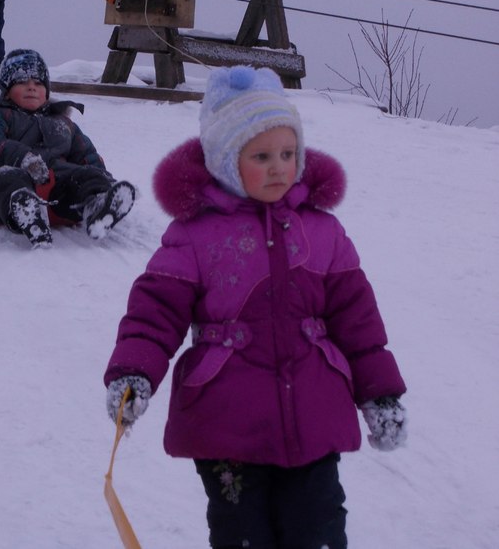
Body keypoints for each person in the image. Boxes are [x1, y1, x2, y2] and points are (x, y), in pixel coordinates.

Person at [102, 65, 407, 548]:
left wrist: (379, 393)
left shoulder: (322, 231)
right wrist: (134, 372)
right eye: (261, 156)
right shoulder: (195, 235)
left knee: (318, 527)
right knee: (242, 534)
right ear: (225, 161)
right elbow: (156, 308)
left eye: (288, 154)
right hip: (228, 421)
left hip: (313, 410)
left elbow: (358, 319)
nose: (278, 167)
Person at [0, 48, 135, 248]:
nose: (31, 87)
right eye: (21, 82)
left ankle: (97, 203)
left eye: (38, 83)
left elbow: (86, 154)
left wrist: (101, 179)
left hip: (59, 192)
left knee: (85, 175)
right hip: (14, 183)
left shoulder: (62, 122)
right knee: (6, 178)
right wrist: (22, 157)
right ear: (5, 90)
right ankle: (26, 211)